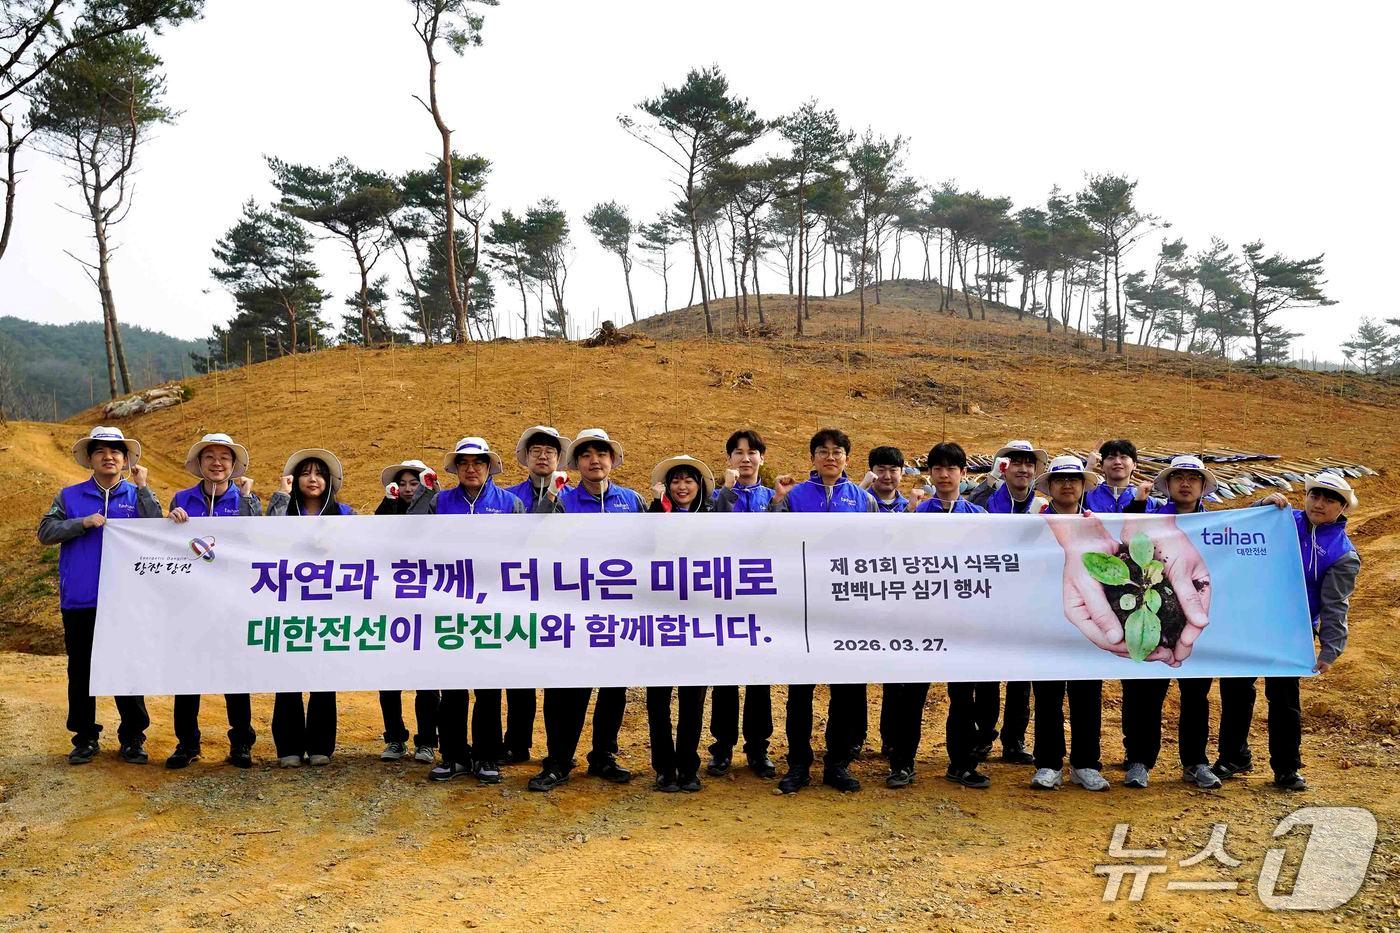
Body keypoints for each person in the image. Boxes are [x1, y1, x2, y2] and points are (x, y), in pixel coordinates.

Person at [1217, 473, 1361, 791]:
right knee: (1235, 691)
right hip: (1250, 621)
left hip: (1292, 631)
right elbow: (1241, 527)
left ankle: (1286, 767)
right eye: (1315, 496)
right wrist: (1260, 503)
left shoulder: (1342, 554)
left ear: (1342, 508)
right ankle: (1233, 756)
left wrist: (1331, 647)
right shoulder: (1281, 519)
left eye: (1329, 500)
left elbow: (1335, 604)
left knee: (1283, 699)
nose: (1319, 504)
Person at [527, 428, 645, 792]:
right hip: (573, 614)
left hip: (620, 613)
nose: (595, 461)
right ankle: (558, 761)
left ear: (613, 460)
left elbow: (651, 551)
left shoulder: (632, 501)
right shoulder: (563, 500)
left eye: (602, 454)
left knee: (613, 689)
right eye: (587, 455)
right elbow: (539, 547)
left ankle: (603, 756)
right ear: (576, 463)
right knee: (567, 691)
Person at [38, 426, 160, 765]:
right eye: (101, 451)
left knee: (127, 667)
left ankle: (133, 737)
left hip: (127, 599)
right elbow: (46, 532)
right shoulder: (70, 496)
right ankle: (84, 737)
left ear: (125, 459)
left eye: (116, 451)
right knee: (81, 670)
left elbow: (158, 527)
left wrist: (144, 487)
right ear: (90, 459)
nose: (109, 457)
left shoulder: (137, 496)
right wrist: (81, 523)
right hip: (80, 598)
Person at [768, 427, 878, 794]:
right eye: (823, 451)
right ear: (813, 458)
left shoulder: (864, 499)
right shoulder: (796, 495)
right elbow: (773, 540)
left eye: (837, 451)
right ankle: (798, 763)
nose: (830, 457)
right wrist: (778, 502)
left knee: (844, 690)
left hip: (846, 610)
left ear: (848, 458)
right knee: (800, 691)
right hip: (802, 608)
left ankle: (837, 764)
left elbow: (877, 549)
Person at [416, 437, 525, 786]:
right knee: (452, 688)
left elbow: (525, 551)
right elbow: (416, 543)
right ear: (456, 468)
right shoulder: (440, 501)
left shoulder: (510, 503)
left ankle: (486, 756)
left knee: (489, 687)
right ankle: (453, 756)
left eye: (479, 461)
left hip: (494, 607)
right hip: (448, 605)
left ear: (490, 466)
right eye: (464, 462)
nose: (471, 468)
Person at [1116, 454, 1223, 790]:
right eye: (1178, 477)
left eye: (1193, 478)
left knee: (1196, 694)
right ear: (1169, 484)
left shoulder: (1219, 527)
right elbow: (1123, 540)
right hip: (1151, 620)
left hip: (1197, 624)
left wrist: (1266, 503)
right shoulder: (1149, 521)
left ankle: (1195, 761)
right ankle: (1138, 760)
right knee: (1141, 693)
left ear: (1204, 486)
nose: (1186, 483)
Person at [164, 433, 262, 770]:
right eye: (210, 457)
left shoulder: (248, 500)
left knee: (235, 673)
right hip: (191, 602)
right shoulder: (182, 498)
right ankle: (187, 743)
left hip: (234, 601)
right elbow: (168, 546)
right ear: (200, 464)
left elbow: (257, 541)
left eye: (224, 457)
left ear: (233, 466)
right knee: (187, 673)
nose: (217, 463)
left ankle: (241, 743)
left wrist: (248, 501)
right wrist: (170, 520)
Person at [904, 442, 988, 789]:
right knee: (911, 694)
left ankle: (961, 763)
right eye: (937, 468)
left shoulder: (980, 518)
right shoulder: (915, 517)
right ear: (930, 474)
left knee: (963, 697)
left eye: (951, 468)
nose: (943, 474)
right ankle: (902, 763)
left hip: (963, 623)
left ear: (964, 474)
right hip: (922, 620)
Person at [266, 449, 354, 767]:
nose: (312, 479)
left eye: (319, 473)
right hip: (287, 604)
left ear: (329, 480)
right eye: (306, 473)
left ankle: (320, 746)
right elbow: (266, 539)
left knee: (322, 675)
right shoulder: (283, 512)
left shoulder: (345, 515)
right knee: (286, 674)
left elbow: (361, 554)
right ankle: (288, 746)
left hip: (329, 605)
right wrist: (281, 494)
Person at [1031, 455, 1111, 791]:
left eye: (1074, 480)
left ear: (1082, 486)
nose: (1067, 485)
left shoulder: (1095, 524)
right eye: (1061, 479)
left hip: (1086, 621)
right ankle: (1048, 763)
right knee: (1047, 694)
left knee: (1087, 693)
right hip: (1046, 619)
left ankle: (1085, 763)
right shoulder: (1033, 525)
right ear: (1049, 486)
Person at [965, 439, 1046, 767]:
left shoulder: (1043, 506)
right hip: (989, 599)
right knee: (987, 672)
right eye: (1017, 462)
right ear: (1004, 467)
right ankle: (984, 736)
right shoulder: (984, 500)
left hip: (1027, 602)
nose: (1024, 468)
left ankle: (1014, 740)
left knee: (1021, 676)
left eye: (1030, 463)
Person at [707, 429, 777, 780]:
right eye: (738, 453)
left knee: (759, 679)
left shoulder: (776, 497)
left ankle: (758, 748)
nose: (745, 459)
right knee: (725, 678)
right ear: (729, 460)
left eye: (752, 453)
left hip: (764, 599)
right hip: (724, 599)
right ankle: (721, 748)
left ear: (762, 458)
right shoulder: (716, 497)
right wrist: (727, 492)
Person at [500, 426, 572, 763]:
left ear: (559, 459)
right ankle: (516, 742)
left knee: (560, 680)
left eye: (550, 451)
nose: (543, 456)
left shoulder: (574, 497)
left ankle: (560, 751)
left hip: (563, 598)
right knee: (519, 676)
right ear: (526, 458)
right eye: (537, 451)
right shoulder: (509, 497)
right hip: (518, 596)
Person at [645, 455, 715, 792]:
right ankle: (663, 767)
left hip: (698, 621)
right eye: (676, 480)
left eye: (688, 480)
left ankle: (688, 766)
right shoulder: (652, 513)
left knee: (692, 699)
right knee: (657, 699)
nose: (682, 486)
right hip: (658, 621)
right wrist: (659, 508)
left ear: (698, 486)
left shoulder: (713, 517)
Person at [374, 458, 440, 765]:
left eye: (414, 483)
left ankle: (427, 740)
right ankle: (394, 738)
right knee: (389, 677)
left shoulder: (436, 511)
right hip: (390, 605)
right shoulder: (385, 510)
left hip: (426, 606)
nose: (408, 489)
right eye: (403, 484)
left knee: (427, 677)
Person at [1085, 439, 1146, 513]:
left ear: (1135, 465)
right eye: (1110, 458)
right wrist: (1089, 467)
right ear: (1101, 465)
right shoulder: (1088, 497)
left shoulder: (1146, 500)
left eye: (1123, 457)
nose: (1117, 462)